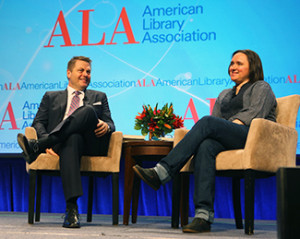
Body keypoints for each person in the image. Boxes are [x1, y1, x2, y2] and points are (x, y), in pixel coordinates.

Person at [133, 49, 277, 233]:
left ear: (253, 67)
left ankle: (162, 172)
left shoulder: (261, 87)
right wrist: (220, 128)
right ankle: (203, 216)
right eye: (232, 63)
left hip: (251, 137)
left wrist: (224, 126)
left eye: (239, 63)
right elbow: (215, 125)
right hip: (229, 138)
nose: (233, 67)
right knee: (206, 145)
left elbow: (254, 114)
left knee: (208, 121)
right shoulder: (225, 94)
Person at [17, 56, 115, 228]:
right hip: (63, 146)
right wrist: (46, 137)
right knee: (72, 138)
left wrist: (106, 126)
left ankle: (39, 145)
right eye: (81, 70)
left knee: (88, 111)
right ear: (69, 73)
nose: (85, 74)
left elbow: (111, 123)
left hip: (91, 143)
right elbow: (38, 122)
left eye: (88, 71)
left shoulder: (100, 96)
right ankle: (72, 210)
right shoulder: (51, 96)